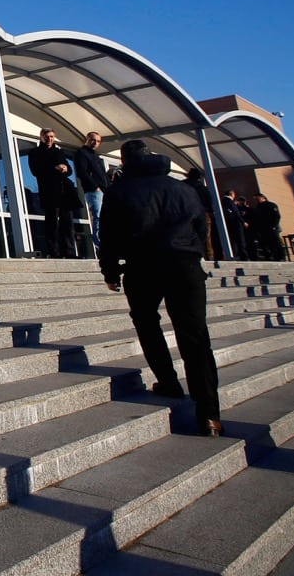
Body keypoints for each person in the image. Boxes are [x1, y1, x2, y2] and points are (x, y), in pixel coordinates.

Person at [100, 139, 221, 437]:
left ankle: (168, 381)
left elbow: (109, 235)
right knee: (194, 336)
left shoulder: (120, 191)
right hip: (185, 265)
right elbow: (201, 227)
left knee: (146, 321)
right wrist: (196, 254)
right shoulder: (184, 189)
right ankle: (209, 415)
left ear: (127, 162)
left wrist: (111, 271)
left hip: (143, 265)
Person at [28, 128, 77, 258]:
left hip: (63, 191)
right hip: (48, 191)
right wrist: (54, 168)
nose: (49, 139)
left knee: (67, 223)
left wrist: (65, 168)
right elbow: (35, 170)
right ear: (41, 137)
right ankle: (54, 252)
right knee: (52, 223)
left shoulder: (59, 152)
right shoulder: (35, 153)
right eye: (47, 136)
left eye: (52, 136)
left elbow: (70, 170)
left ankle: (70, 251)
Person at [73, 131, 107, 254]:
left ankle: (104, 243)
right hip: (94, 191)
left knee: (104, 217)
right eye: (93, 140)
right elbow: (82, 172)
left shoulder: (96, 156)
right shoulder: (82, 153)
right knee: (97, 216)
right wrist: (95, 187)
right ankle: (99, 244)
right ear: (87, 139)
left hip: (103, 191)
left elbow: (102, 174)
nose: (95, 143)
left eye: (98, 141)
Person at [250, 193, 284, 261]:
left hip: (271, 227)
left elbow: (277, 216)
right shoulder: (258, 207)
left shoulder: (271, 205)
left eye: (257, 198)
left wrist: (274, 225)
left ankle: (280, 257)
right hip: (263, 228)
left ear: (262, 197)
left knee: (276, 242)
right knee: (266, 243)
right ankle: (270, 256)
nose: (256, 200)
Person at [221, 189, 248, 260]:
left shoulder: (222, 201)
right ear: (232, 194)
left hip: (229, 223)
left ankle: (235, 254)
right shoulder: (229, 202)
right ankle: (244, 256)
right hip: (235, 223)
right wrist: (243, 222)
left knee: (233, 240)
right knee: (240, 240)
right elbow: (236, 213)